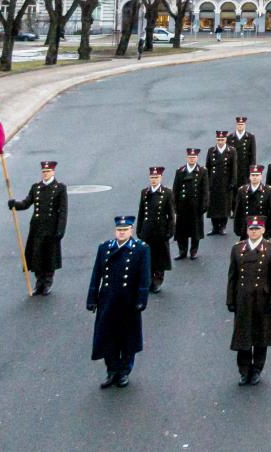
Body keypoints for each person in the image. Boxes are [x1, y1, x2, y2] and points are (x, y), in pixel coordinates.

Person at [86, 215, 150, 389]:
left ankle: (124, 371)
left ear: (131, 231)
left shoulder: (140, 249)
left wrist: (141, 299)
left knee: (127, 338)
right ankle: (111, 370)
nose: (121, 233)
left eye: (125, 230)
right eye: (119, 230)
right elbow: (96, 274)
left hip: (128, 301)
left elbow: (144, 277)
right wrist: (92, 298)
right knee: (108, 336)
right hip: (108, 299)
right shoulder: (105, 248)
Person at [226, 215, 271, 386]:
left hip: (262, 300)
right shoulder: (237, 249)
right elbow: (232, 277)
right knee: (243, 337)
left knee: (260, 336)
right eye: (251, 229)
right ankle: (244, 371)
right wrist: (230, 299)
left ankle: (257, 369)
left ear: (263, 230)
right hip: (242, 299)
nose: (254, 232)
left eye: (257, 229)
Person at [10, 159, 67, 296]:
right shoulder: (36, 187)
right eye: (43, 172)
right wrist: (14, 204)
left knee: (49, 256)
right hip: (36, 227)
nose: (45, 174)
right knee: (36, 255)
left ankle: (47, 282)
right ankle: (38, 282)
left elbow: (63, 211)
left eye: (48, 171)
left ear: (53, 172)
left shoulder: (59, 188)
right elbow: (26, 203)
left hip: (51, 227)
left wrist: (60, 230)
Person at [136, 166, 175, 293]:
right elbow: (141, 213)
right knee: (148, 257)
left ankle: (157, 280)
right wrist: (139, 230)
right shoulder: (145, 192)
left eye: (156, 177)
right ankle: (148, 280)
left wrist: (170, 231)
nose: (154, 180)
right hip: (147, 231)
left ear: (161, 178)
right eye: (152, 177)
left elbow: (171, 215)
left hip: (160, 231)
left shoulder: (167, 193)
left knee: (160, 258)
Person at [172, 148, 208, 260]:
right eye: (190, 157)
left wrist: (204, 205)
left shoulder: (202, 171)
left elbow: (205, 190)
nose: (192, 159)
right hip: (182, 206)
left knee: (195, 230)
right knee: (181, 230)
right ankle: (182, 251)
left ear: (197, 158)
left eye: (194, 157)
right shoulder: (180, 171)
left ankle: (193, 251)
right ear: (187, 158)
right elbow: (175, 189)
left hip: (195, 206)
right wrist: (174, 205)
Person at [233, 165, 271, 242]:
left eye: (257, 175)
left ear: (261, 177)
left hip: (262, 228)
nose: (255, 177)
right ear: (249, 177)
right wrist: (237, 228)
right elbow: (238, 211)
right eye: (253, 175)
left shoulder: (268, 191)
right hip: (246, 228)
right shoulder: (242, 191)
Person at [205, 130, 237, 236]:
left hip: (225, 182)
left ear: (226, 140)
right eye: (218, 139)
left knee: (224, 205)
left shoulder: (231, 151)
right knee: (213, 206)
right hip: (213, 182)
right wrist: (207, 181)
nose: (220, 141)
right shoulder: (211, 151)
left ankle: (222, 227)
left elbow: (234, 168)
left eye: (222, 139)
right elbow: (208, 167)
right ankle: (215, 227)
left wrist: (233, 181)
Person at [229, 116, 256, 190]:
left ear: (245, 125)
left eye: (242, 124)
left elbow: (253, 156)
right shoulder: (230, 137)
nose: (240, 126)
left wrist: (252, 172)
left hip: (245, 170)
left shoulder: (250, 137)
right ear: (236, 125)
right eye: (239, 124)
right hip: (233, 170)